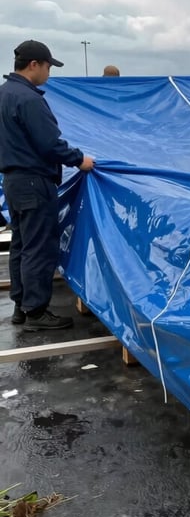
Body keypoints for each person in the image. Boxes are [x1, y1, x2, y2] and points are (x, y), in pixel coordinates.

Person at [0, 40, 95, 330]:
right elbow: (49, 143)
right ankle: (36, 312)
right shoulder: (29, 99)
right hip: (33, 181)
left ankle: (21, 305)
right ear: (34, 65)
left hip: (12, 182)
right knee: (38, 248)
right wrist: (80, 160)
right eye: (48, 67)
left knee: (21, 244)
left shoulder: (4, 94)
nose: (49, 73)